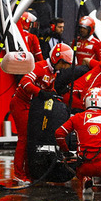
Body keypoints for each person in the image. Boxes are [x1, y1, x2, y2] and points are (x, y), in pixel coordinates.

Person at [10, 43, 74, 182]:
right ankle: (18, 174)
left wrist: (55, 95)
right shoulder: (40, 67)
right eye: (63, 64)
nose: (63, 67)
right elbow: (25, 83)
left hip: (33, 107)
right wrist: (41, 93)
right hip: (21, 104)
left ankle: (29, 172)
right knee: (24, 138)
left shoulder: (53, 72)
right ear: (57, 59)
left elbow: (49, 88)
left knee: (32, 139)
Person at [55, 87, 101, 195]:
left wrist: (65, 151)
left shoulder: (76, 118)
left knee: (78, 170)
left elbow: (59, 133)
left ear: (85, 102)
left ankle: (86, 179)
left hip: (84, 165)